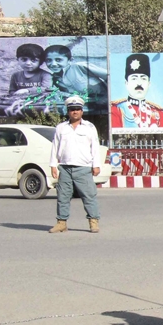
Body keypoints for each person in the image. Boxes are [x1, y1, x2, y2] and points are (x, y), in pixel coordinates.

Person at [48, 96, 102, 234]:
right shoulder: (61, 128)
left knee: (88, 196)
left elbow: (95, 147)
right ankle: (61, 223)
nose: (75, 112)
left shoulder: (89, 127)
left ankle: (93, 222)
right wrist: (53, 165)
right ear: (68, 111)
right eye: (72, 109)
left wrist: (96, 165)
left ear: (82, 111)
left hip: (83, 168)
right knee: (62, 197)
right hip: (65, 167)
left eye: (77, 109)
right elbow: (55, 146)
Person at [110, 54, 163, 129]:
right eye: (134, 78)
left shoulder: (159, 114)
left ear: (149, 84)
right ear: (126, 83)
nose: (139, 83)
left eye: (143, 78)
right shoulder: (117, 110)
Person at [44, 44, 109, 100]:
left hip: (105, 101)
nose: (53, 64)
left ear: (70, 60)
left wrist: (108, 97)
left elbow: (109, 76)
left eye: (58, 60)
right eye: (49, 60)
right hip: (84, 106)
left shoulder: (80, 67)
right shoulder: (55, 79)